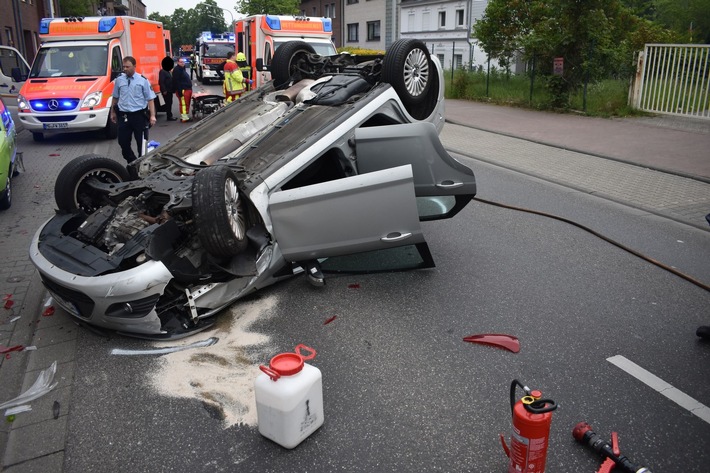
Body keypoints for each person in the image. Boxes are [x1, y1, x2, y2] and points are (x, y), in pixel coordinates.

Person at [110, 56, 156, 170]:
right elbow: (115, 97)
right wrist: (112, 112)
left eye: (127, 67)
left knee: (142, 144)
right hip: (124, 116)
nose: (125, 69)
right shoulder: (119, 80)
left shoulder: (142, 80)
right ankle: (133, 162)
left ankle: (142, 167)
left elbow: (150, 99)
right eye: (124, 66)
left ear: (134, 67)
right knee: (123, 143)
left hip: (139, 116)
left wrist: (153, 116)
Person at [172, 57, 193, 122]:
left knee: (186, 103)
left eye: (183, 62)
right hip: (183, 90)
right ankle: (184, 117)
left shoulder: (182, 69)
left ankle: (185, 116)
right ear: (178, 62)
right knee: (184, 104)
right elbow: (176, 81)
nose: (182, 63)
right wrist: (180, 91)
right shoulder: (177, 70)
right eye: (181, 62)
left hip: (187, 89)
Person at [159, 57, 177, 121]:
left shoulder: (167, 71)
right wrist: (164, 90)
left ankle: (170, 115)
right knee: (168, 103)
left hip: (169, 90)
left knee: (170, 103)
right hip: (166, 91)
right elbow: (161, 81)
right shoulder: (163, 71)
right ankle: (169, 116)